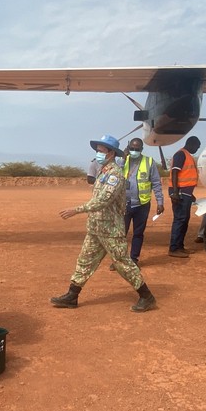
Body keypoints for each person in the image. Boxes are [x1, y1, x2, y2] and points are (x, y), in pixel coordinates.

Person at [50, 134, 157, 313]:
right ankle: (72, 295)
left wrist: (77, 210)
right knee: (85, 260)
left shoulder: (115, 175)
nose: (98, 154)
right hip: (96, 228)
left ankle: (147, 296)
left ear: (110, 154)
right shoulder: (103, 171)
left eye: (101, 151)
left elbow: (103, 200)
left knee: (123, 262)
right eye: (97, 151)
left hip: (110, 229)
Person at [118, 137, 164, 266]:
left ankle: (133, 259)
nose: (133, 151)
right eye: (131, 148)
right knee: (121, 234)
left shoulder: (149, 162)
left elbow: (156, 183)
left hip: (142, 205)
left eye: (136, 149)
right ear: (128, 148)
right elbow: (115, 175)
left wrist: (160, 202)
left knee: (138, 233)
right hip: (124, 204)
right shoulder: (122, 161)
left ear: (141, 149)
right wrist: (122, 158)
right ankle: (119, 260)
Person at [167, 136, 201, 258]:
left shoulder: (186, 155)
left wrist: (189, 194)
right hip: (179, 193)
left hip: (184, 193)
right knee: (180, 219)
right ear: (191, 144)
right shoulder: (181, 154)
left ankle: (179, 246)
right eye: (197, 146)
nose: (197, 149)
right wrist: (176, 192)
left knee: (184, 220)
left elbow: (185, 176)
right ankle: (174, 248)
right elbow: (175, 172)